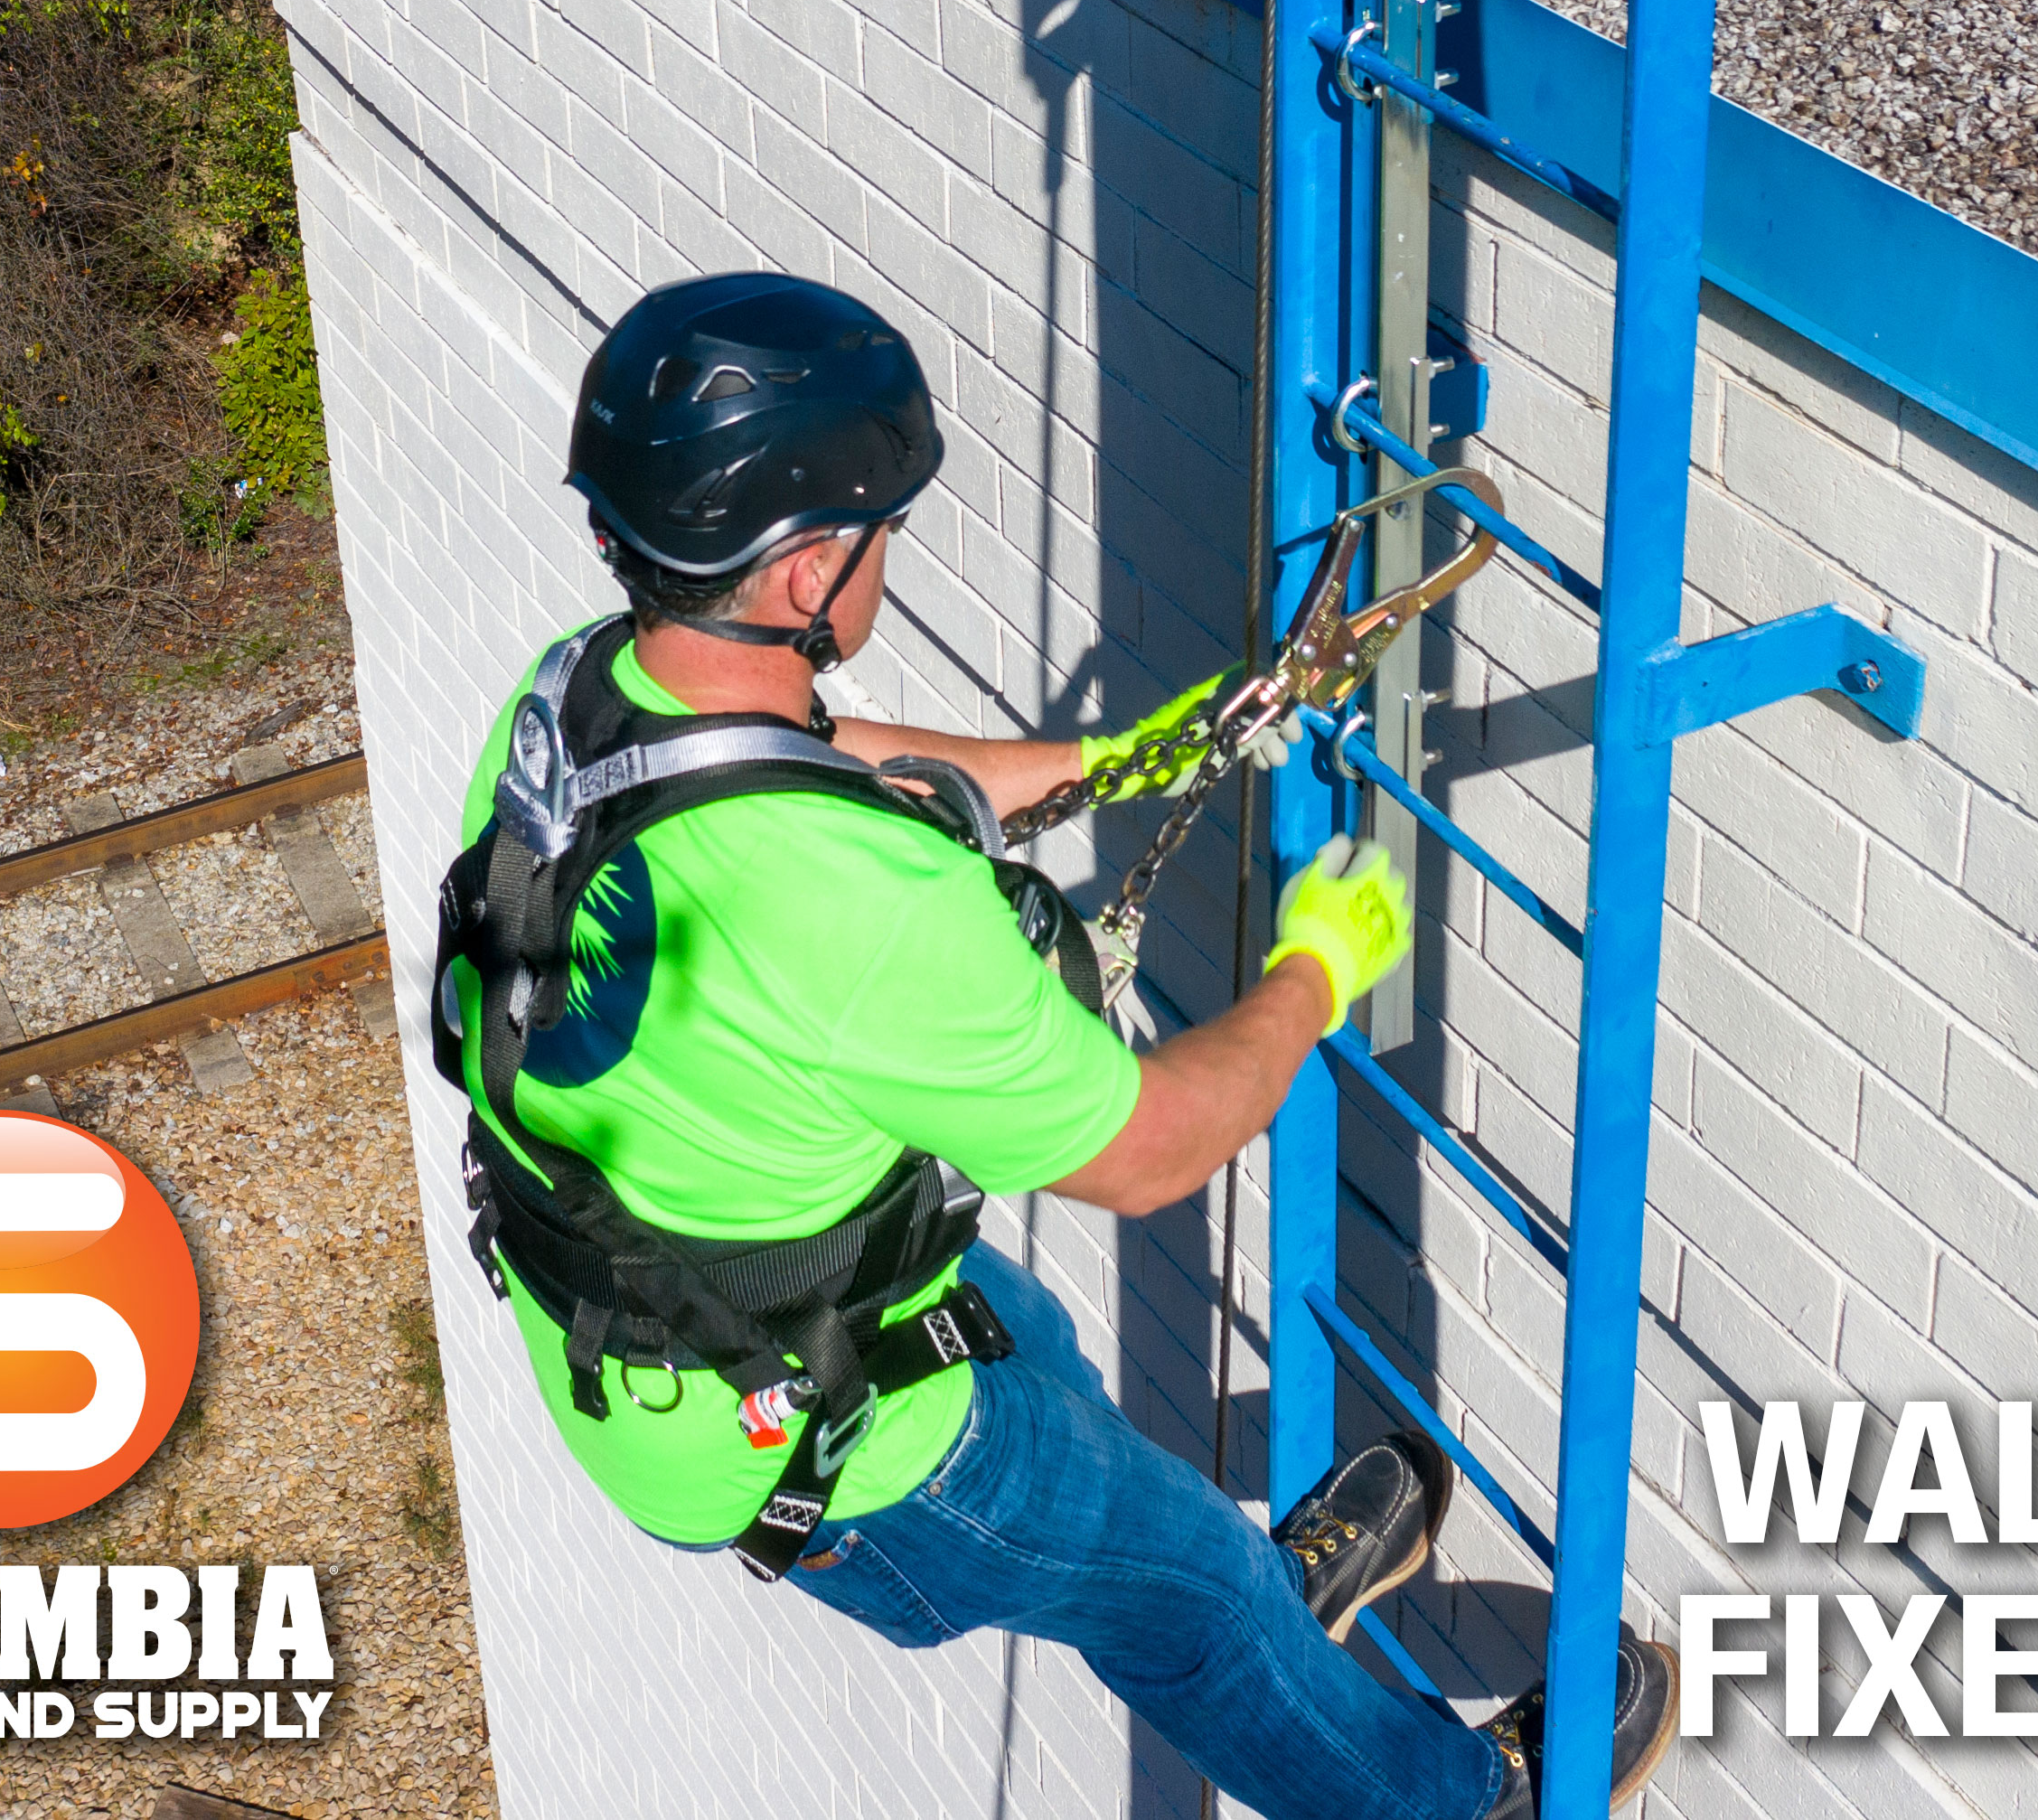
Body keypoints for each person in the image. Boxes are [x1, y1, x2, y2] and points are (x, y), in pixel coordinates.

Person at [428, 272, 1676, 1818]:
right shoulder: (868, 915)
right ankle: (1457, 1793)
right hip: (814, 1450)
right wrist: (1315, 968)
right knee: (1194, 1605)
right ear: (806, 563)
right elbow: (1153, 1149)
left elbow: (813, 758)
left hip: (689, 1329)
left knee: (1047, 1351)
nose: (891, 550)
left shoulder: (574, 696)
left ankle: (1228, 1587)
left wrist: (1118, 760)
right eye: (881, 527)